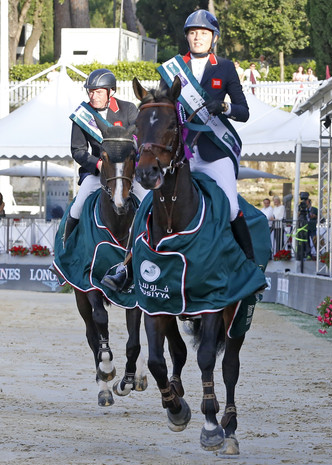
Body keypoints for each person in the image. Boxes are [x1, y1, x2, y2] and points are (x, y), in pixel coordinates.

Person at [104, 9, 251, 291]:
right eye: (193, 33)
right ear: (187, 37)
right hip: (177, 152)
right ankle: (128, 267)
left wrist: (223, 107)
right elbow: (160, 110)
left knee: (231, 206)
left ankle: (248, 266)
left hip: (213, 150)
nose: (197, 38)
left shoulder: (225, 68)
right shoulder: (172, 68)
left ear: (213, 38)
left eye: (203, 33)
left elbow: (243, 111)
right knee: (147, 202)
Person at [66, 68, 138, 246]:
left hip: (128, 173)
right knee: (77, 206)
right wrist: (98, 164)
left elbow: (139, 140)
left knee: (147, 199)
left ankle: (153, 245)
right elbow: (78, 150)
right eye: (90, 91)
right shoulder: (82, 115)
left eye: (98, 92)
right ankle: (68, 247)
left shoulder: (128, 109)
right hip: (97, 172)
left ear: (110, 91)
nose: (93, 96)